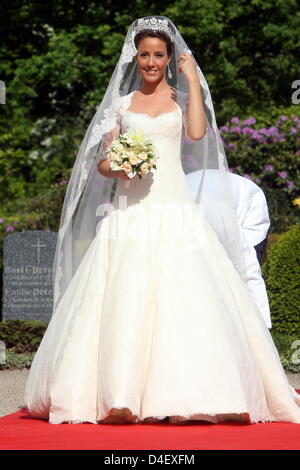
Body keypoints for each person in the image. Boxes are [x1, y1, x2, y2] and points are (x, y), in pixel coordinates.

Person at [24, 15, 300, 425]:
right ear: (135, 58)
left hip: (175, 210)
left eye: (158, 55)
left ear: (168, 57)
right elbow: (101, 162)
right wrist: (120, 168)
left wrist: (190, 80)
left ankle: (200, 391)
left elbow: (194, 134)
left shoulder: (178, 97)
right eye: (144, 55)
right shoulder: (121, 105)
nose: (150, 62)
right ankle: (119, 395)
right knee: (124, 295)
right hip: (129, 212)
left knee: (187, 296)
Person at [186, 170, 272, 329]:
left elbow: (248, 266)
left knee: (240, 267)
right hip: (200, 201)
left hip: (243, 203)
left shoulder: (228, 208)